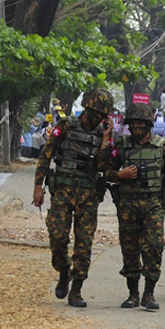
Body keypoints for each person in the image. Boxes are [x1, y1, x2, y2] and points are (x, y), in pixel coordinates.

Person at [32, 88, 114, 308]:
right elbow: (46, 155)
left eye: (103, 114)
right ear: (86, 107)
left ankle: (76, 290)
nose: (98, 117)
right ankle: (63, 270)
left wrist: (105, 140)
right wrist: (38, 187)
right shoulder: (66, 126)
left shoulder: (103, 134)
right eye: (95, 111)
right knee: (57, 236)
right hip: (63, 192)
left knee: (84, 244)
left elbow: (105, 167)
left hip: (88, 195)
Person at [105, 103, 165, 311]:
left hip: (153, 204)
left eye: (140, 123)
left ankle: (149, 293)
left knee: (153, 246)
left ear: (149, 125)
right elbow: (104, 170)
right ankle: (133, 294)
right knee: (130, 249)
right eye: (132, 123)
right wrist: (119, 175)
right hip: (127, 205)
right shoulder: (122, 145)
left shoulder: (162, 146)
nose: (135, 127)